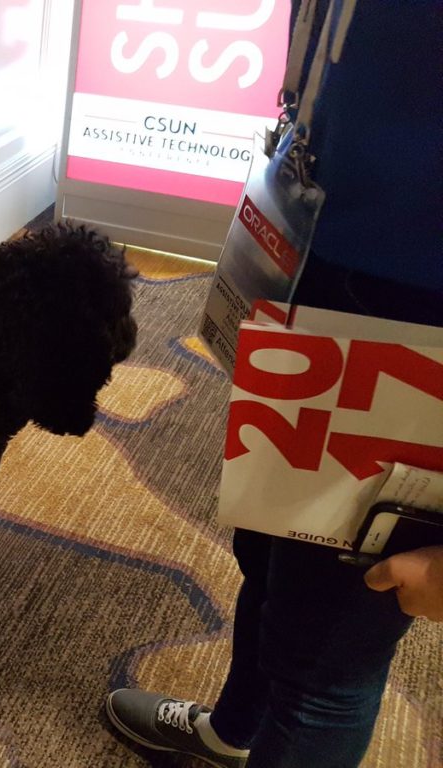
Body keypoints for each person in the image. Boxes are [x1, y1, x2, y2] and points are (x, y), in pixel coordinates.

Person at [103, 1, 443, 767]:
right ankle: (236, 732)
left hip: (419, 316)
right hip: (323, 248)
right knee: (269, 548)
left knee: (325, 667)